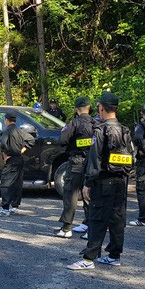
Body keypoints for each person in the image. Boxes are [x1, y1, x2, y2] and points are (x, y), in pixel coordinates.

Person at [67, 92, 134, 270]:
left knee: (97, 219)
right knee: (117, 219)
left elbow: (94, 158)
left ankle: (89, 258)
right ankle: (114, 255)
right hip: (121, 181)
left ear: (101, 107)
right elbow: (131, 158)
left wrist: (88, 183)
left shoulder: (101, 130)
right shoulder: (125, 130)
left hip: (103, 182)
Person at [55, 97, 97, 237]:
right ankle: (90, 226)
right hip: (92, 163)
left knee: (70, 194)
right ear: (89, 107)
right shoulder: (96, 123)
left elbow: (62, 140)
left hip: (77, 163)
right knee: (89, 194)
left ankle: (67, 228)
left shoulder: (73, 123)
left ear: (76, 109)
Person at [0, 113, 35, 217]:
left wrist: (5, 155)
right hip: (19, 159)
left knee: (6, 183)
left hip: (11, 160)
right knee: (17, 184)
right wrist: (22, 150)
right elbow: (31, 140)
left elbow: (3, 143)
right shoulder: (20, 131)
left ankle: (5, 208)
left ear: (6, 120)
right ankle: (15, 207)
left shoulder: (6, 131)